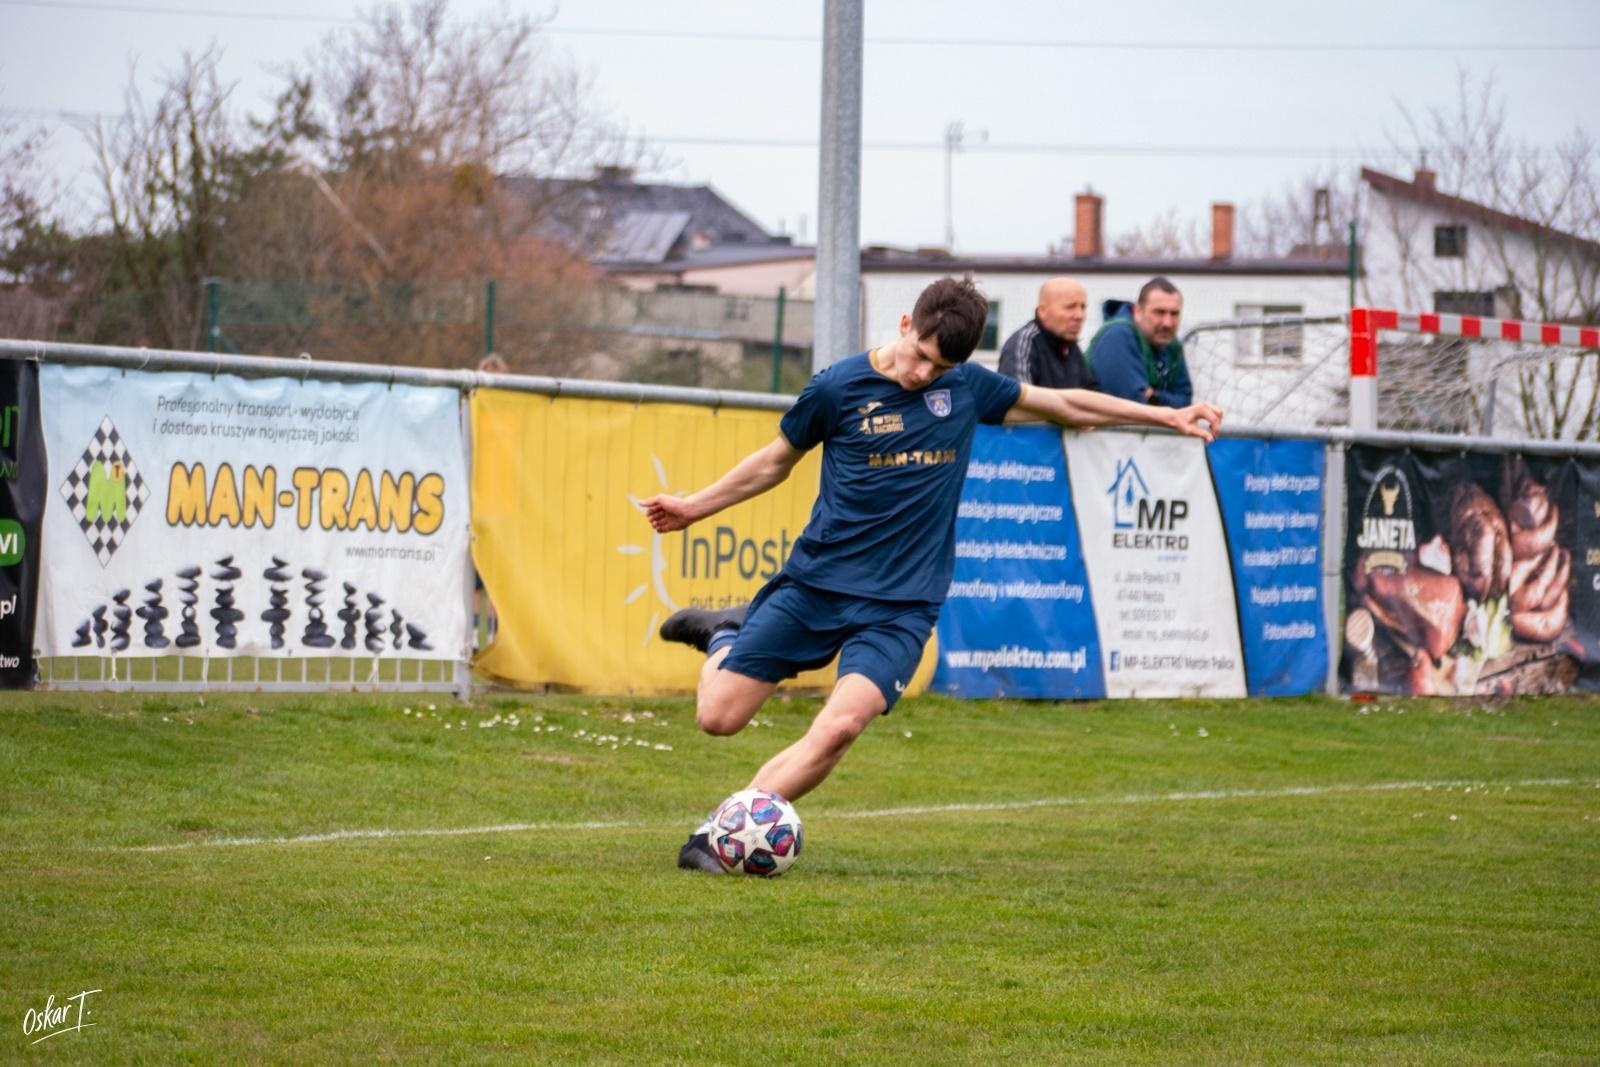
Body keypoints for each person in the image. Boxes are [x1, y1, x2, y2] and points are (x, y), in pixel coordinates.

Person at [642, 277, 1221, 873]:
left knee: (840, 726)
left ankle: (721, 837)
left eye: (940, 366)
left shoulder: (966, 388)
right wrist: (692, 508)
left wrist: (1167, 415)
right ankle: (723, 634)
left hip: (902, 606)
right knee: (719, 718)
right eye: (920, 355)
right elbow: (773, 463)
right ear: (903, 326)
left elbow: (1066, 404)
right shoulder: (839, 387)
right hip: (817, 584)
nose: (923, 374)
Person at [1086, 276, 1192, 407]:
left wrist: (1156, 397)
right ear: (1137, 311)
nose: (1167, 323)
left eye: (1174, 314)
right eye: (1159, 312)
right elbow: (1134, 405)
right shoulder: (1117, 336)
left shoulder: (1170, 343)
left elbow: (1185, 401)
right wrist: (1161, 401)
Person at [997, 276, 1097, 389]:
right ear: (1043, 311)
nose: (1079, 315)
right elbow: (1020, 399)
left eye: (1083, 307)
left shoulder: (1069, 347)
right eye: (1070, 307)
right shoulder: (1023, 344)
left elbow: (1092, 391)